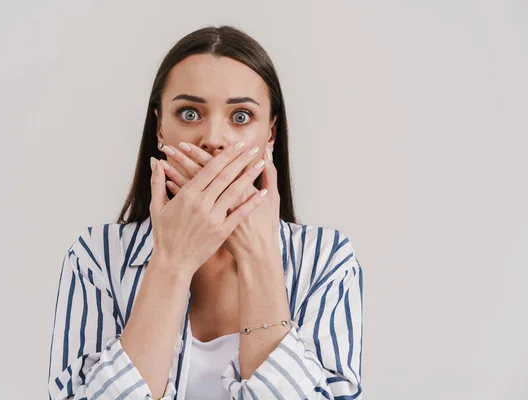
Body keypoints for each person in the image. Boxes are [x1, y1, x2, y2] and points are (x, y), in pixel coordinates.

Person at [48, 25, 363, 400]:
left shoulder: (326, 260)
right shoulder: (97, 257)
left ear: (271, 134)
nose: (214, 138)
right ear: (160, 128)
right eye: (190, 113)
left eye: (241, 116)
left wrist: (259, 256)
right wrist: (172, 262)